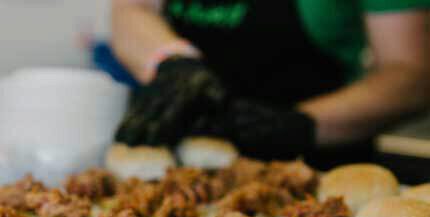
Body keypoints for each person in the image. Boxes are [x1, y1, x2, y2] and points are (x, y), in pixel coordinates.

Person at [95, 0, 430, 166]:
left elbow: (412, 73)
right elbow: (132, 9)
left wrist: (299, 124)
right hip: (183, 161)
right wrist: (172, 62)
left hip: (314, 167)